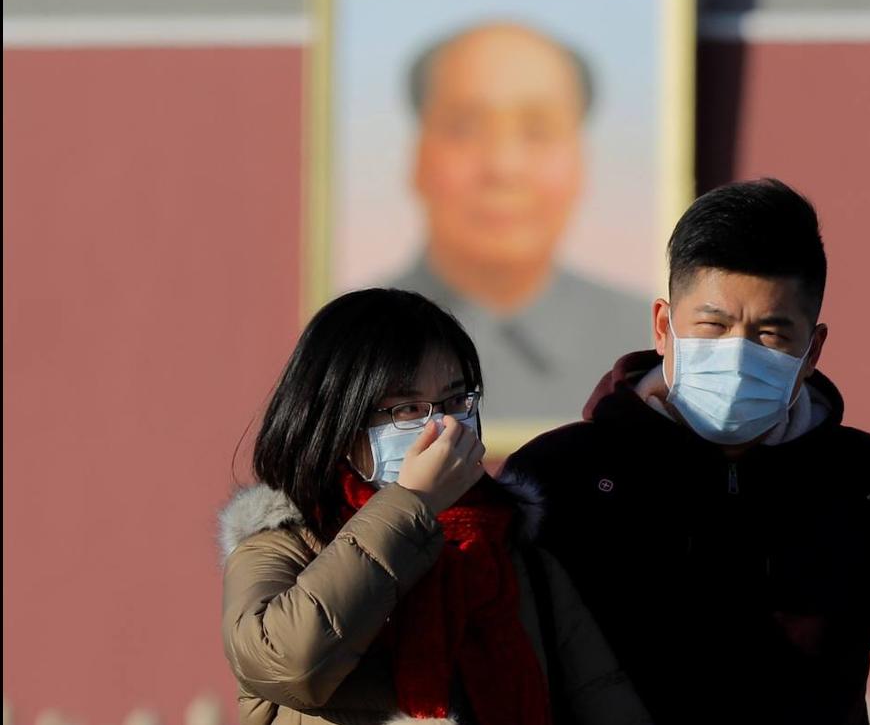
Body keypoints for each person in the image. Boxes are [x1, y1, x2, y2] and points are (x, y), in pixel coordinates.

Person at [505, 179, 870, 724]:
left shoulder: (863, 483)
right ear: (663, 325)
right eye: (713, 324)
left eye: (771, 334)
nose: (736, 353)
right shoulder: (561, 478)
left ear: (813, 349)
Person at [218, 289, 651, 725]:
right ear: (338, 421)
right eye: (409, 408)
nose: (442, 426)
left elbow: (605, 700)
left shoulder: (513, 554)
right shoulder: (282, 547)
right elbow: (288, 664)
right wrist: (412, 505)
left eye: (456, 401)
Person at [387, 22, 651, 422]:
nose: (503, 166)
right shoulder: (364, 336)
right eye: (463, 128)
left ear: (582, 163)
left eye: (538, 131)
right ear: (418, 157)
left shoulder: (643, 342)